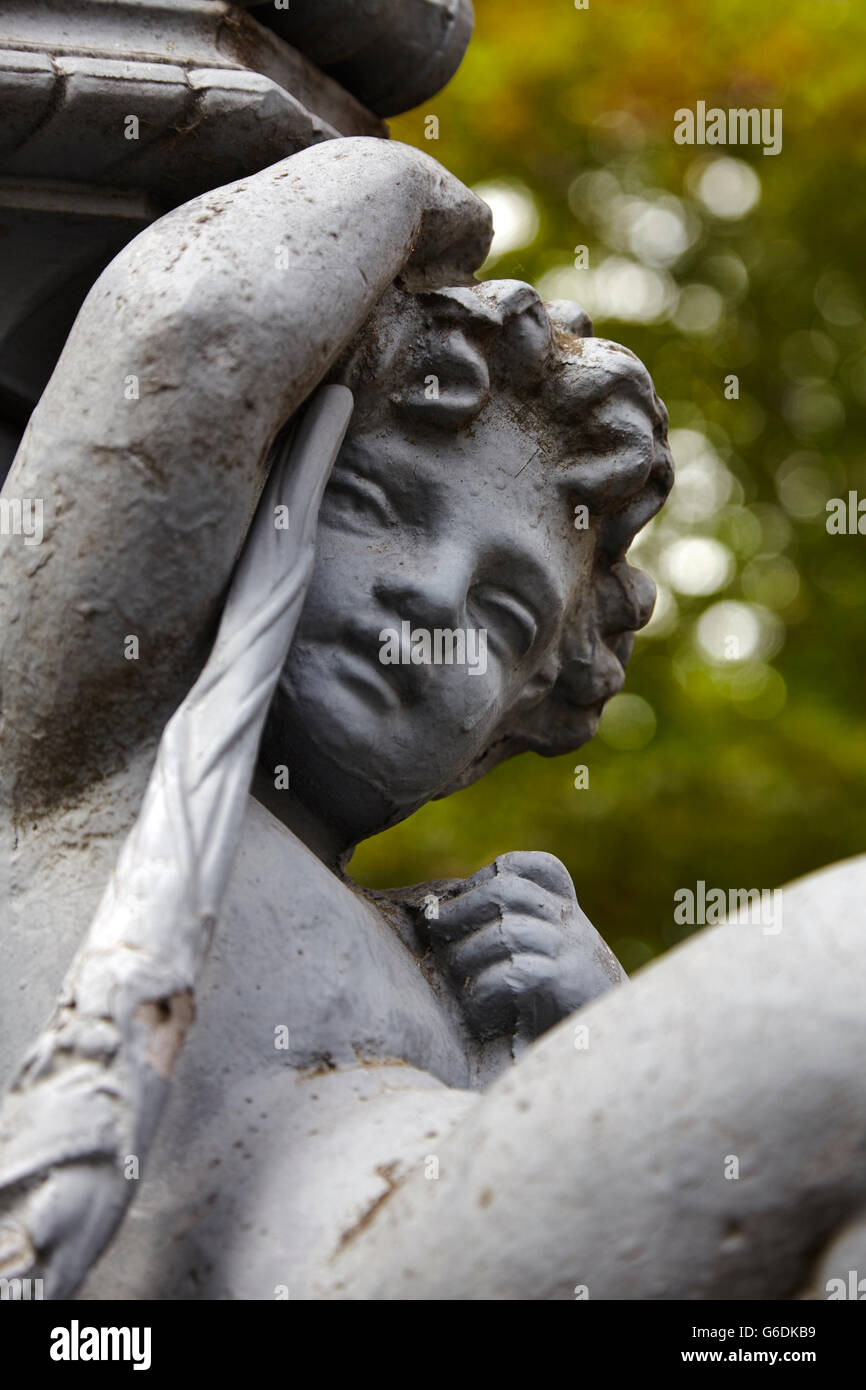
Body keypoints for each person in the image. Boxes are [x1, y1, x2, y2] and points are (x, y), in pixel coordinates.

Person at [2, 138, 864, 1302]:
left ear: (513, 719)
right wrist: (411, 199)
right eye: (379, 507)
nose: (428, 596)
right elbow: (202, 324)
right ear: (255, 498)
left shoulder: (462, 974)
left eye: (504, 611)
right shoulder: (91, 753)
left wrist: (596, 1032)